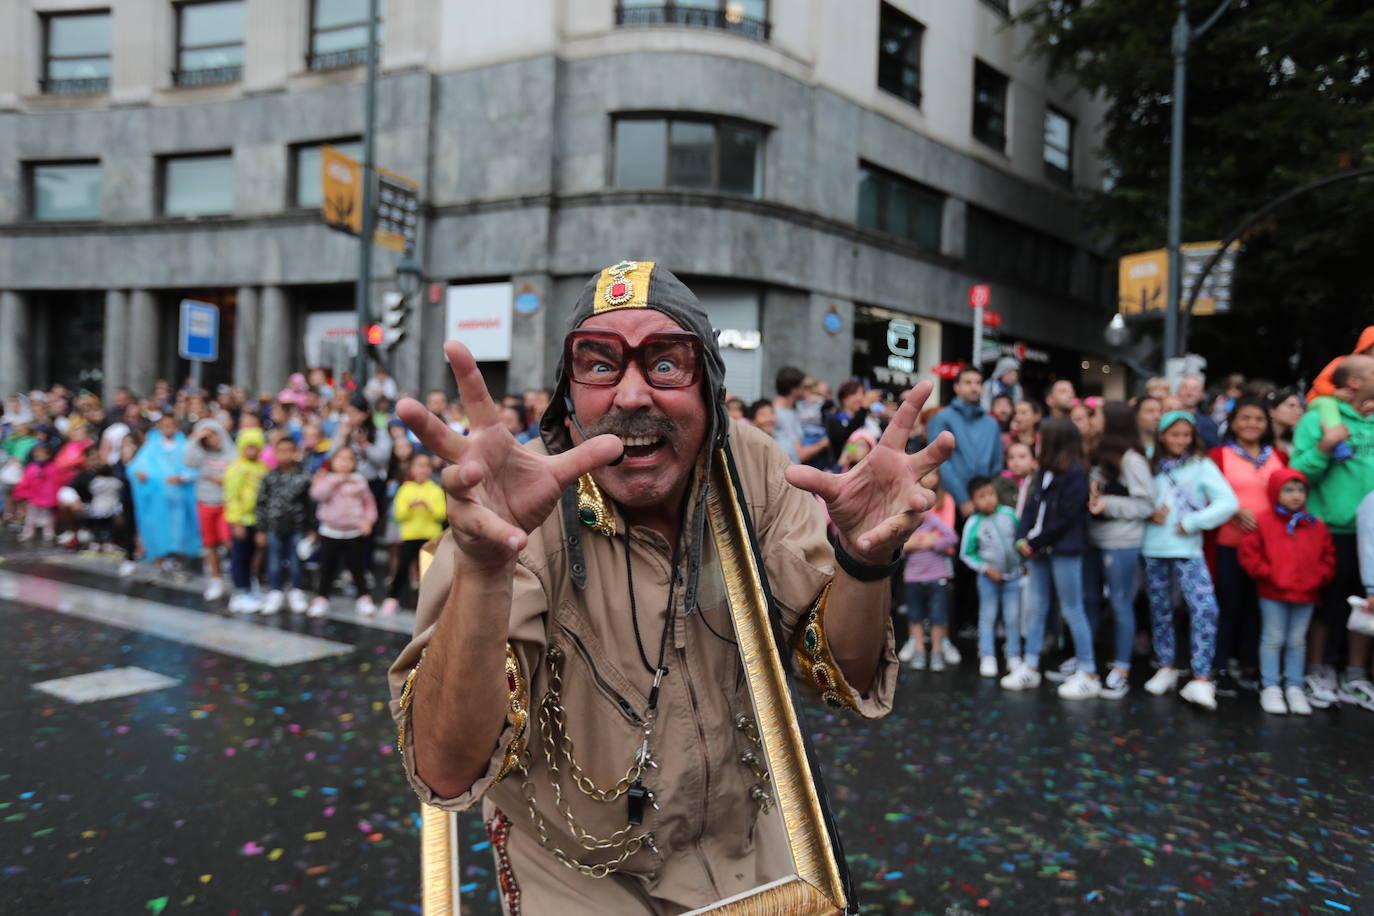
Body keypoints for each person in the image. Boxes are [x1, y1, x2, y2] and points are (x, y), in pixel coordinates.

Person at [387, 261, 952, 911]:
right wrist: (485, 569)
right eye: (600, 365)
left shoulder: (752, 467)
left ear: (710, 389)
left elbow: (839, 673)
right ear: (568, 397)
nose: (631, 396)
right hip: (579, 874)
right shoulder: (516, 506)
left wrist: (863, 559)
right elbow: (446, 768)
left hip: (749, 847)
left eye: (664, 363)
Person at [1289, 355, 1374, 710]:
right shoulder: (1317, 420)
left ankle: (1355, 676)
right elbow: (1297, 476)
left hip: (1371, 532)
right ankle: (1317, 669)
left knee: (1366, 606)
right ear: (1355, 382)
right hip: (1329, 528)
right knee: (1326, 603)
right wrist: (1325, 447)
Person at [1141, 412, 1238, 710]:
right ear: (1161, 436)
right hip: (1153, 546)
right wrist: (1146, 511)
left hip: (1188, 549)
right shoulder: (1147, 462)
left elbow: (1228, 502)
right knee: (1160, 610)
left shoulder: (1201, 464)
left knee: (1205, 609)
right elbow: (1132, 496)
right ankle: (1166, 666)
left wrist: (1195, 521)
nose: (1180, 440)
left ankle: (1201, 677)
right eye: (1174, 434)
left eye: (1186, 435)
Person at [1003, 419, 1097, 698]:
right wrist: (1022, 537)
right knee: (1037, 605)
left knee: (1072, 609)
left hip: (1063, 550)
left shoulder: (1077, 475)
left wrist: (1033, 541)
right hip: (1039, 549)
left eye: (1041, 438)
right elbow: (1031, 508)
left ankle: (1088, 672)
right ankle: (1030, 666)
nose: (1036, 442)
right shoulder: (1042, 471)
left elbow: (1065, 519)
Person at [1238, 468, 1334, 716]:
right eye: (1288, 490)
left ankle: (1294, 686)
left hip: (1306, 593)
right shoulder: (1263, 522)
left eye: (1301, 490)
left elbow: (1328, 557)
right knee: (1273, 638)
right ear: (1274, 492)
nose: (1296, 496)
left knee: (1297, 641)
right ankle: (1270, 686)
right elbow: (1249, 555)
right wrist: (1270, 575)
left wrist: (1318, 577)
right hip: (1273, 592)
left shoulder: (1315, 525)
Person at [1208, 398, 1288, 694]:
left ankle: (1252, 665)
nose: (1251, 424)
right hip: (1229, 542)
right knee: (1228, 606)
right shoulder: (1219, 455)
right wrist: (1232, 510)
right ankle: (1220, 667)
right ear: (1233, 422)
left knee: (1260, 607)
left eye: (1258, 419)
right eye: (1245, 418)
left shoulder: (1278, 455)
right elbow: (1205, 495)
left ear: (1267, 424)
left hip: (1269, 547)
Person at [1084, 402, 1154, 699]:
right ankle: (1087, 663)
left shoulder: (1132, 460)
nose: (1092, 419)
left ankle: (1122, 668)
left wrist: (1107, 505)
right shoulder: (1097, 453)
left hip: (1121, 542)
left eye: (1097, 414)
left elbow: (1145, 504)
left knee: (1120, 602)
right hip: (1092, 539)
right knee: (1088, 600)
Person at [959, 476, 1023, 678]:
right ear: (973, 501)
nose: (988, 500)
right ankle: (987, 655)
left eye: (991, 494)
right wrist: (985, 568)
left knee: (1012, 617)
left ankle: (1013, 655)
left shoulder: (1010, 515)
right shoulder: (974, 523)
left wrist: (1024, 563)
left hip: (1012, 577)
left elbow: (1020, 540)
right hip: (988, 579)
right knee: (988, 616)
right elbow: (966, 553)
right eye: (982, 496)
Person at [898, 469, 958, 671]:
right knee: (915, 615)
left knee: (938, 616)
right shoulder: (906, 523)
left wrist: (933, 541)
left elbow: (952, 538)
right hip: (913, 576)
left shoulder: (932, 520)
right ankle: (919, 650)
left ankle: (937, 651)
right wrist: (910, 544)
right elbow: (896, 548)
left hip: (936, 575)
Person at [309, 445, 379, 618]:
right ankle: (322, 597)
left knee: (357, 567)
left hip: (353, 532)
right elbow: (317, 495)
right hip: (330, 532)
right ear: (332, 462)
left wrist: (368, 521)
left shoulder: (359, 481)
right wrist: (335, 480)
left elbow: (369, 504)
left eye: (349, 459)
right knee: (327, 567)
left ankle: (364, 597)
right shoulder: (326, 479)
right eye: (341, 459)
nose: (345, 463)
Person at [128, 413, 201, 575]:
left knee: (180, 530)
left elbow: (195, 468)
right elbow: (137, 466)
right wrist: (140, 474)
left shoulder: (185, 446)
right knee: (157, 529)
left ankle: (179, 560)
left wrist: (183, 477)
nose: (168, 429)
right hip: (156, 500)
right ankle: (160, 560)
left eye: (171, 425)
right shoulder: (151, 447)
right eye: (165, 425)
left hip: (179, 499)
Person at [928, 367, 1004, 520]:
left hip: (985, 503)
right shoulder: (942, 418)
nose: (974, 387)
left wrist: (986, 496)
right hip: (950, 502)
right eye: (968, 382)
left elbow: (997, 465)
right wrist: (962, 498)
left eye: (978, 382)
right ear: (957, 387)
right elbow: (939, 462)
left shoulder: (992, 423)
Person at [382, 451, 447, 615]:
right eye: (419, 466)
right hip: (410, 534)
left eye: (426, 466)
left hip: (430, 536)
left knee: (430, 572)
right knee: (403, 567)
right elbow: (399, 514)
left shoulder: (436, 490)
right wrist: (411, 507)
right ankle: (392, 598)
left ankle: (432, 605)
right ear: (411, 469)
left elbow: (441, 515)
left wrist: (428, 508)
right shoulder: (405, 489)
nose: (422, 470)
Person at [255, 436, 313, 615]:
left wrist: (311, 529)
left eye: (289, 451)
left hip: (297, 527)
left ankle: (296, 591)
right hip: (274, 527)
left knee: (296, 561)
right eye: (281, 451)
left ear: (296, 453)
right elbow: (261, 503)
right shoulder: (270, 476)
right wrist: (261, 529)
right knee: (274, 561)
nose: (285, 455)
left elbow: (310, 504)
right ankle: (275, 592)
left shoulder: (304, 477)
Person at [183, 419, 237, 601]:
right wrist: (195, 438)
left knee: (229, 540)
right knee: (210, 543)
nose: (212, 439)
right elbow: (188, 461)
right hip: (205, 501)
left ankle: (239, 575)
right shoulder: (200, 453)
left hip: (226, 503)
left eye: (214, 434)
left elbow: (237, 472)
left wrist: (223, 480)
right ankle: (216, 578)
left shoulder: (231, 451)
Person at [223, 427, 269, 613]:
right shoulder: (236, 468)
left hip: (258, 519)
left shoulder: (262, 468)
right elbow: (231, 496)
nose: (252, 451)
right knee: (239, 555)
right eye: (248, 447)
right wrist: (237, 522)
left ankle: (251, 586)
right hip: (242, 520)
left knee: (254, 554)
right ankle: (239, 591)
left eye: (255, 447)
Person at [773, 367, 831, 466]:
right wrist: (823, 444)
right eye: (803, 387)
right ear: (794, 389)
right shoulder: (780, 414)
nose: (806, 391)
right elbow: (799, 455)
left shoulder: (794, 409)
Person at [1306, 325, 1374, 403]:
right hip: (1321, 403)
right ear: (1367, 347)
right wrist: (1334, 392)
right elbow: (1319, 382)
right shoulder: (1344, 362)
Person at [825, 380, 880, 466]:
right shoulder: (835, 420)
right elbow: (844, 437)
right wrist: (863, 408)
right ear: (844, 398)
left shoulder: (867, 421)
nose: (861, 398)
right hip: (841, 472)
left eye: (862, 394)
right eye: (855, 394)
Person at [14, 443, 60, 542]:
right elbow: (25, 482)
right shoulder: (31, 467)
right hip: (34, 497)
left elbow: (57, 483)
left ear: (48, 455)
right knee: (30, 518)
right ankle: (28, 533)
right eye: (37, 454)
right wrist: (21, 493)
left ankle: (49, 533)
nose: (39, 456)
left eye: (42, 454)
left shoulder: (53, 467)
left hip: (48, 498)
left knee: (49, 518)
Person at [1176, 375, 1221, 449]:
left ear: (1202, 395)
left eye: (1195, 389)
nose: (1189, 393)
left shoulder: (1208, 424)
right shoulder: (1163, 417)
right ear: (1177, 391)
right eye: (1184, 388)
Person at [995, 440, 1036, 518]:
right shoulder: (1000, 483)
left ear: (1034, 461)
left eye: (1022, 457)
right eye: (1011, 457)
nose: (1016, 462)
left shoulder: (1039, 483)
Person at [1267, 387, 1304, 454]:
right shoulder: (1259, 441)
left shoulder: (1293, 442)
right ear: (1271, 411)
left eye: (1300, 407)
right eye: (1291, 406)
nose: (1300, 412)